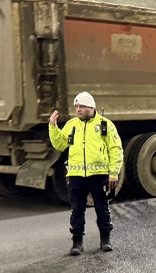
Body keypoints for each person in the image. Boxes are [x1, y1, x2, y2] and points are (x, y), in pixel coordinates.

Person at [49, 91, 123, 255]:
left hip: (99, 176)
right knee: (77, 210)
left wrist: (114, 173)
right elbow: (60, 144)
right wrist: (53, 127)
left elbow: (116, 150)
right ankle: (77, 243)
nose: (78, 109)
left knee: (102, 208)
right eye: (76, 106)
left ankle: (105, 240)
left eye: (82, 106)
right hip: (76, 177)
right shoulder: (71, 125)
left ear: (91, 107)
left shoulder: (105, 125)